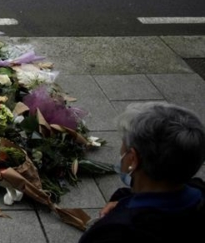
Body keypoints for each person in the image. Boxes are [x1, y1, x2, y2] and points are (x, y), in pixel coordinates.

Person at [79, 102, 205, 243]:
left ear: (133, 159)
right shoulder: (199, 191)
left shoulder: (116, 233)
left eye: (123, 146)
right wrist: (124, 202)